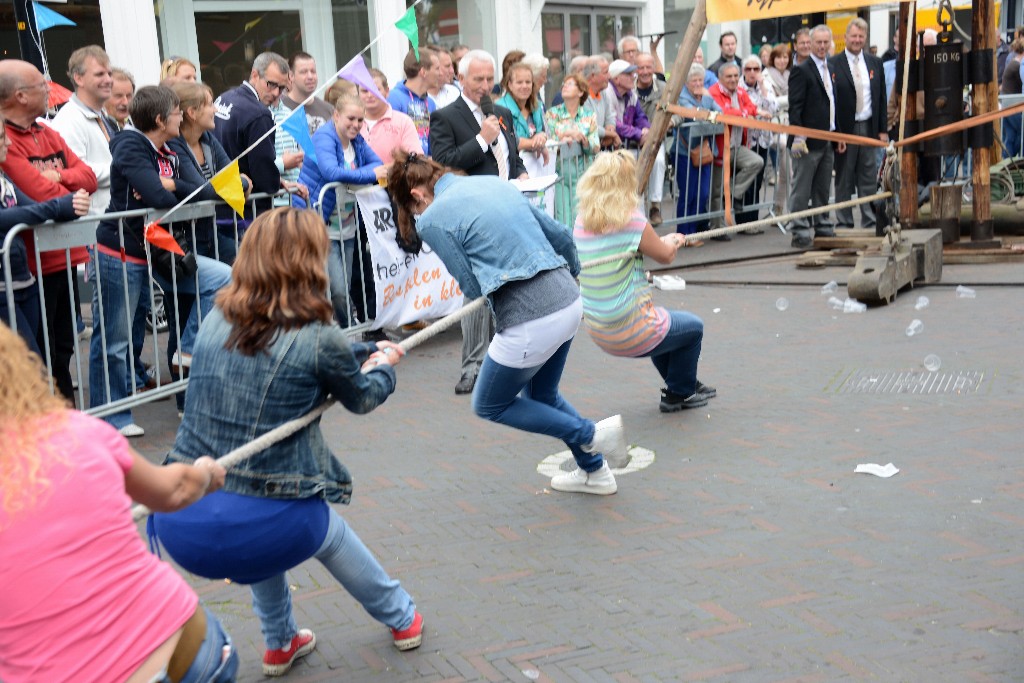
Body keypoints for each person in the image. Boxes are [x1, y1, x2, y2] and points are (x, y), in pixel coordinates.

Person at [151, 207, 423, 678]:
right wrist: (383, 369)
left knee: (262, 506)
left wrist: (362, 353)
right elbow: (361, 398)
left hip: (182, 516)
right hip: (263, 523)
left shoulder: (217, 313)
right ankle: (402, 617)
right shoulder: (317, 336)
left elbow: (315, 354)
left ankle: (280, 642)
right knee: (321, 528)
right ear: (309, 262)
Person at [0, 323, 237, 683]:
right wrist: (204, 473)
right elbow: (174, 490)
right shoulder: (78, 430)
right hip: (188, 648)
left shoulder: (77, 430)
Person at [388, 150, 628, 494]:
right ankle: (595, 471)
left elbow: (470, 284)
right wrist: (570, 273)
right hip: (568, 300)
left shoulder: (432, 218)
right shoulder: (492, 183)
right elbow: (559, 234)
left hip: (531, 316)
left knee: (488, 403)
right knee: (542, 394)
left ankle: (591, 435)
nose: (417, 216)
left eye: (414, 209)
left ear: (416, 195)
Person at [90, 85, 231, 437]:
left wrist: (169, 184)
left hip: (159, 248)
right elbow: (155, 194)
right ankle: (112, 417)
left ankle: (187, 349)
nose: (181, 116)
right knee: (116, 339)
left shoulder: (168, 147)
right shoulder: (130, 144)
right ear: (158, 119)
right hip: (120, 251)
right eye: (175, 112)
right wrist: (164, 187)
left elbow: (203, 189)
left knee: (223, 278)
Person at [574, 151, 716, 413]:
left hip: (597, 327)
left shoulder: (582, 220)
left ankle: (682, 383)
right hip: (629, 329)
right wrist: (673, 241)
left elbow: (621, 249)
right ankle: (679, 394)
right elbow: (665, 256)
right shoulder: (631, 219)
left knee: (665, 323)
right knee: (693, 328)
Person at [429, 49, 527, 396]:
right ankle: (472, 366)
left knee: (508, 287)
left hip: (506, 211)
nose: (485, 87)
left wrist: (523, 173)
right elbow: (442, 163)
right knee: (475, 290)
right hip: (470, 217)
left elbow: (511, 157)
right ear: (460, 79)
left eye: (489, 80)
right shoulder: (445, 117)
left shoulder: (500, 113)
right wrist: (481, 139)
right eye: (478, 80)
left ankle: (506, 362)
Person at [0, 59, 98, 401]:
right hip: (30, 264)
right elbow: (37, 196)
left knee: (64, 342)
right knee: (38, 351)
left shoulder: (48, 130)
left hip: (66, 254)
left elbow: (88, 177)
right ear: (20, 96)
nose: (50, 90)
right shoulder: (5, 138)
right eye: (42, 86)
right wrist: (65, 198)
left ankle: (62, 410)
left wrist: (63, 179)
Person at [0, 119, 91, 356]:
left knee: (48, 353)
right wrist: (62, 205)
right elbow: (12, 215)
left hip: (22, 279)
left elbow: (28, 206)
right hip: (5, 284)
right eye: (2, 137)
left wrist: (63, 205)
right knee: (30, 362)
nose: (8, 142)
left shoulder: (3, 176)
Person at [295, 94, 386, 326]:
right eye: (351, 119)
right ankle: (347, 335)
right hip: (320, 222)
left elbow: (378, 163)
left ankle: (345, 334)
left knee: (342, 287)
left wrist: (367, 174)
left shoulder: (356, 140)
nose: (355, 125)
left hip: (347, 223)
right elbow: (331, 172)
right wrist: (368, 176)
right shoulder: (325, 136)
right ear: (336, 115)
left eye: (360, 120)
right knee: (335, 290)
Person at [213, 51, 290, 262]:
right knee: (254, 282)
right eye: (271, 84)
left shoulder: (223, 98)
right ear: (254, 75)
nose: (276, 93)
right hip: (246, 214)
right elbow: (263, 170)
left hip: (220, 207)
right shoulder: (258, 113)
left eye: (282, 88)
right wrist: (273, 184)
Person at [788, 25, 845, 249]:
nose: (822, 46)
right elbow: (795, 108)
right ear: (810, 44)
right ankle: (800, 229)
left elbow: (833, 102)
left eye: (825, 42)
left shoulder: (830, 67)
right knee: (801, 188)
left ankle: (822, 224)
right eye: (818, 42)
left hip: (827, 138)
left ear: (830, 43)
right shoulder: (801, 70)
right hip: (807, 141)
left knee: (822, 187)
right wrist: (800, 136)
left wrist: (837, 133)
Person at [829, 18, 887, 229]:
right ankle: (844, 221)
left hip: (868, 126)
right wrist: (836, 132)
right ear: (845, 37)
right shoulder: (833, 63)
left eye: (861, 36)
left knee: (868, 177)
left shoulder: (875, 62)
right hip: (845, 128)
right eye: (853, 36)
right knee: (844, 177)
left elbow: (881, 97)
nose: (857, 40)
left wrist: (882, 130)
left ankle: (870, 219)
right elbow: (831, 100)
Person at [708, 63, 766, 238]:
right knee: (717, 189)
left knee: (756, 162)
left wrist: (743, 112)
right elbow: (723, 112)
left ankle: (733, 193)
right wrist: (742, 114)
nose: (733, 79)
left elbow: (752, 107)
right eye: (729, 76)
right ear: (720, 78)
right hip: (719, 147)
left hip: (737, 145)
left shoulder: (740, 91)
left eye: (735, 75)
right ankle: (717, 229)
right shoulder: (713, 92)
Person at [672, 64, 722, 245]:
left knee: (702, 193)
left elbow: (721, 116)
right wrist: (710, 113)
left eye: (700, 80)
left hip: (705, 151)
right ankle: (683, 235)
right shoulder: (682, 98)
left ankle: (692, 233)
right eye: (694, 80)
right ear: (686, 82)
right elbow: (698, 122)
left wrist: (709, 114)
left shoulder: (706, 95)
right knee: (689, 194)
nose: (698, 83)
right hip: (685, 153)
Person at [544, 72, 600, 223]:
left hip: (583, 172)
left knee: (581, 216)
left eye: (570, 84)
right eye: (564, 84)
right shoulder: (552, 114)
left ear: (581, 92)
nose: (564, 87)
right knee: (563, 217)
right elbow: (549, 140)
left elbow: (596, 146)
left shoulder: (589, 115)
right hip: (560, 172)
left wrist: (583, 140)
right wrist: (564, 135)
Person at [737, 55, 777, 228]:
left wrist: (762, 87)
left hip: (762, 139)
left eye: (756, 69)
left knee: (758, 181)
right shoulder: (738, 86)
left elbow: (773, 108)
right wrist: (757, 111)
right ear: (743, 70)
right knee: (747, 181)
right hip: (745, 140)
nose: (752, 73)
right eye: (748, 69)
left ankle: (752, 220)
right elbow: (743, 110)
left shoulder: (765, 85)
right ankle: (742, 221)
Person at [360, 68, 424, 161]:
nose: (370, 95)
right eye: (364, 91)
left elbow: (416, 159)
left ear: (387, 92)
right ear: (358, 94)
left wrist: (387, 170)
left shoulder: (403, 122)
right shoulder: (350, 122)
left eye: (375, 90)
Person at [635, 52, 667, 225]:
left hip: (656, 140)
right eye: (641, 67)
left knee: (659, 162)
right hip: (633, 140)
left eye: (648, 67)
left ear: (654, 68)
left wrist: (668, 124)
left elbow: (678, 113)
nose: (645, 71)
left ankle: (655, 205)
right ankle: (636, 213)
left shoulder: (663, 88)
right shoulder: (630, 88)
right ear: (636, 69)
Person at [496, 61, 550, 165]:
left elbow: (545, 133)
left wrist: (542, 137)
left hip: (535, 167)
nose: (524, 86)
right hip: (512, 168)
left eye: (528, 82)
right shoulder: (500, 108)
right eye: (519, 82)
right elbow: (511, 141)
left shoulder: (537, 106)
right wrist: (537, 144)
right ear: (510, 85)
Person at [388, 48, 438, 155]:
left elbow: (430, 142)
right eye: (437, 69)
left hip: (423, 166)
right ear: (423, 72)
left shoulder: (430, 103)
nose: (440, 73)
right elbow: (390, 140)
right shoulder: (393, 98)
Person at [765, 44, 792, 212]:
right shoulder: (766, 76)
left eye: (785, 57)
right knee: (788, 170)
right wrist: (788, 99)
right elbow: (770, 102)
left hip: (790, 125)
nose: (782, 61)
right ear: (773, 59)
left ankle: (779, 208)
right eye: (779, 57)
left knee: (785, 172)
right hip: (773, 128)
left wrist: (782, 100)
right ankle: (786, 208)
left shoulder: (792, 74)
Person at [281, 51, 335, 135]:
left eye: (313, 71)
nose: (310, 76)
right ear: (291, 76)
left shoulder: (329, 110)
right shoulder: (280, 110)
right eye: (303, 72)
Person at [582, 56, 621, 149]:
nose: (609, 76)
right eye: (605, 72)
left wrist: (610, 128)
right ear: (592, 76)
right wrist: (611, 135)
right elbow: (588, 125)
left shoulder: (603, 92)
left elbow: (610, 116)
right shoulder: (581, 95)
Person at [1001, 38, 1024, 157]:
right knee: (1021, 132)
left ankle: (1007, 162)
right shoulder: (1017, 65)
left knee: (1011, 137)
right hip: (1012, 106)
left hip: (1007, 104)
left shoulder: (1014, 62)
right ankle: (1012, 160)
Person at [427, 44, 461, 109]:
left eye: (452, 66)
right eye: (447, 66)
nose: (452, 71)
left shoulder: (454, 92)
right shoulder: (415, 97)